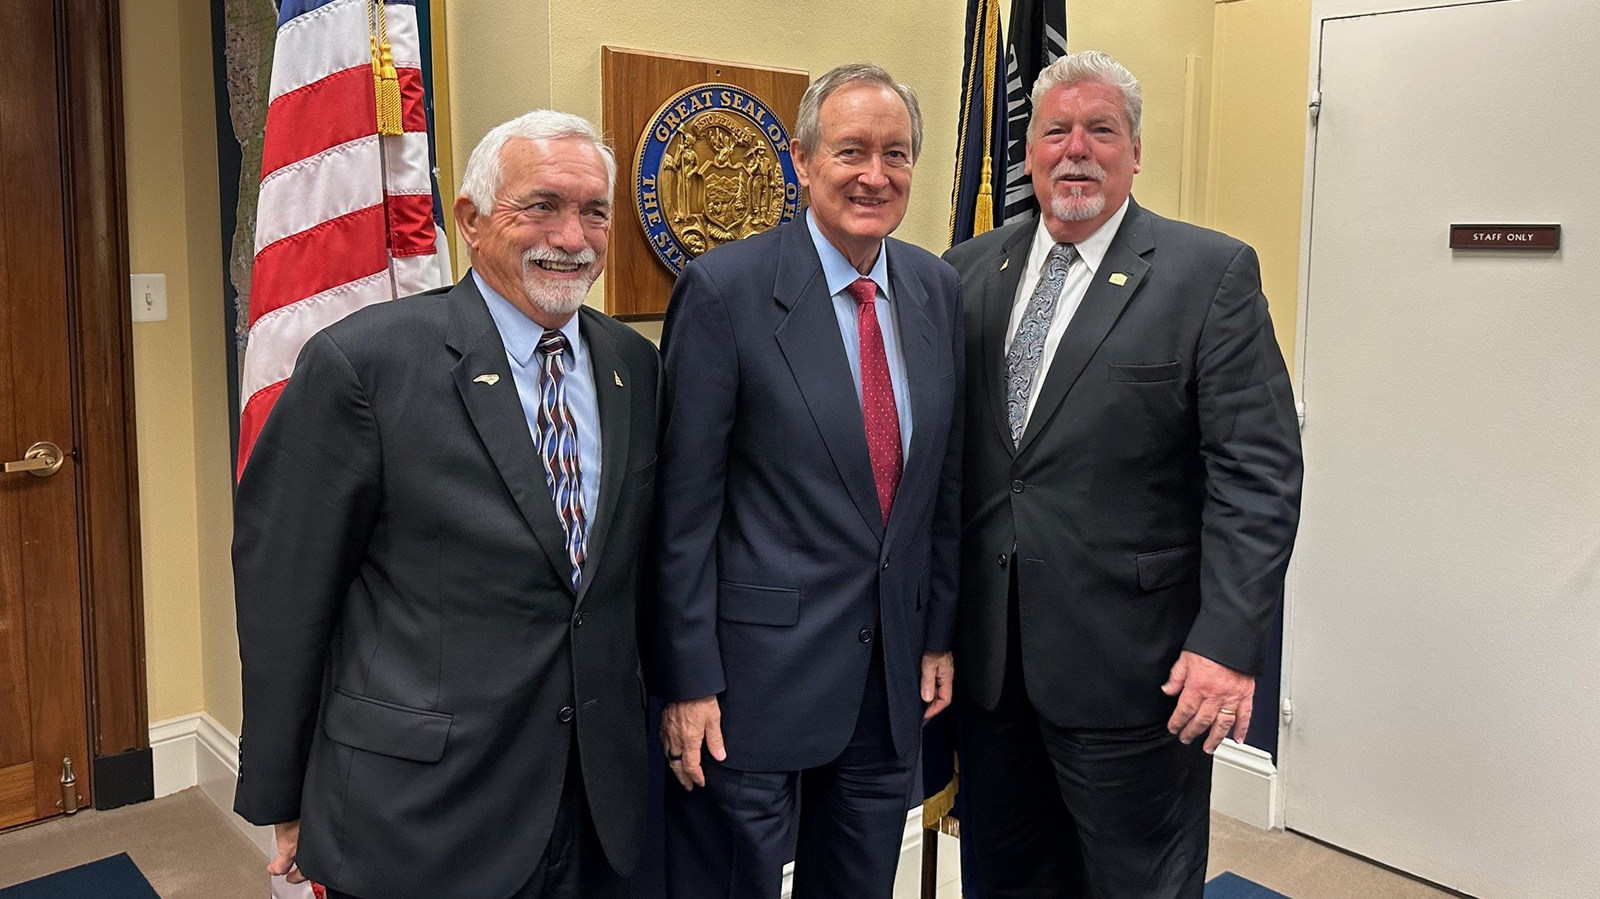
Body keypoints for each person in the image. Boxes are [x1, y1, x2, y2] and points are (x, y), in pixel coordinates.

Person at [232, 110, 660, 899]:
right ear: (470, 221)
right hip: (425, 813)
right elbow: (284, 596)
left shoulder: (634, 364)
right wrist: (282, 792)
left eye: (594, 211)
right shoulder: (364, 365)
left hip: (597, 799)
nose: (572, 236)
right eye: (541, 205)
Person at [943, 50, 1303, 899]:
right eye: (1056, 131)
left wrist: (1227, 643)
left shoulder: (1206, 274)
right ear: (1028, 151)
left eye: (1101, 130)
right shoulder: (963, 272)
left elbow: (1259, 472)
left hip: (1140, 674)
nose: (1077, 150)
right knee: (1005, 874)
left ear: (1135, 151)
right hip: (993, 670)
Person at [648, 63, 963, 899]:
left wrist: (936, 633)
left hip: (888, 676)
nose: (874, 174)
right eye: (851, 150)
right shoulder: (726, 290)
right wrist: (688, 680)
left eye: (895, 154)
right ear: (800, 158)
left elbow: (941, 487)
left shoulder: (936, 288)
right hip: (750, 682)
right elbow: (683, 511)